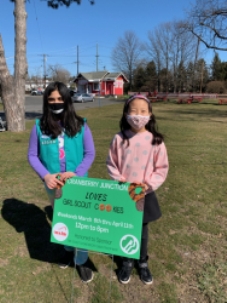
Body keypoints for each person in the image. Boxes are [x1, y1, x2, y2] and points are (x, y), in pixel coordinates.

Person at [27, 81, 95, 283]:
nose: (56, 103)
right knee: (62, 219)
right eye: (51, 99)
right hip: (54, 186)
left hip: (78, 184)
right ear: (46, 102)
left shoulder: (81, 124)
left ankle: (81, 259)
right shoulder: (39, 127)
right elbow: (32, 155)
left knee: (80, 223)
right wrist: (46, 176)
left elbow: (90, 153)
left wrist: (77, 172)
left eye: (59, 98)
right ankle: (67, 251)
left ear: (67, 99)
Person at [106, 94, 169, 285]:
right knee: (124, 228)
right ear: (125, 113)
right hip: (123, 193)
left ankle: (142, 262)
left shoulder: (155, 140)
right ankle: (126, 261)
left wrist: (148, 184)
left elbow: (161, 168)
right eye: (133, 111)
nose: (138, 115)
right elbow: (111, 163)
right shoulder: (119, 138)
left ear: (150, 114)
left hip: (144, 194)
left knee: (141, 230)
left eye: (143, 111)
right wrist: (121, 181)